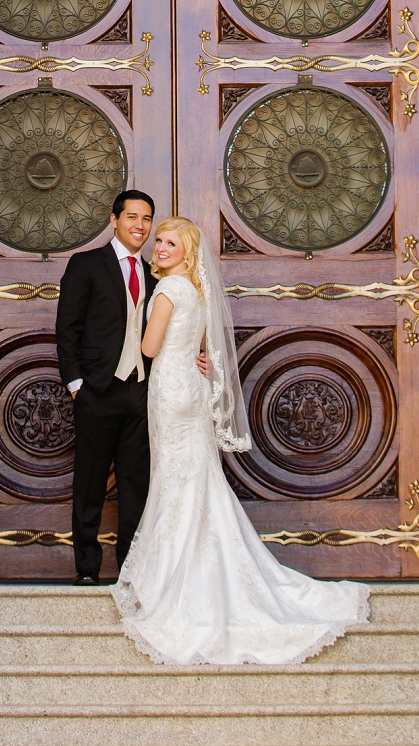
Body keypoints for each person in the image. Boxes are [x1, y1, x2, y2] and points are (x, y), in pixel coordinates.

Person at [113, 216, 371, 664]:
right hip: (187, 390)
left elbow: (149, 349)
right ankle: (192, 564)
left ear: (187, 251)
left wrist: (131, 322)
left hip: (170, 390)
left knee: (176, 476)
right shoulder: (194, 291)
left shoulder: (170, 291)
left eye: (170, 243)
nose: (159, 248)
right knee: (192, 476)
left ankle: (175, 576)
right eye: (159, 242)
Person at [54, 190, 158, 584]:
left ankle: (130, 567)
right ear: (114, 220)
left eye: (146, 218)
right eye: (132, 216)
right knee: (90, 481)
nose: (140, 225)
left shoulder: (154, 273)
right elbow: (68, 329)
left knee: (136, 483)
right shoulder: (86, 264)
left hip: (140, 389)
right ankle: (86, 568)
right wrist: (76, 383)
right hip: (96, 389)